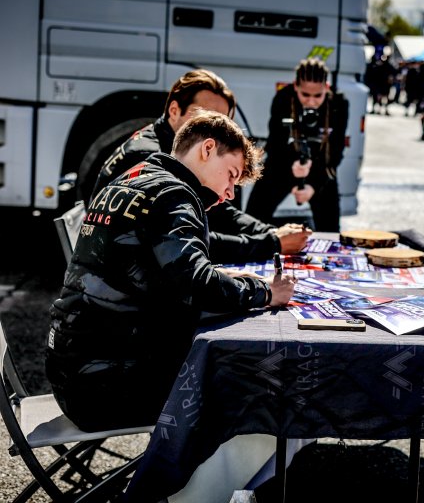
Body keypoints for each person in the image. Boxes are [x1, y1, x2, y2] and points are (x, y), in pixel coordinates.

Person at [46, 109, 297, 432]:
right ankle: (200, 484)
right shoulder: (174, 195)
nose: (229, 193)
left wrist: (221, 277)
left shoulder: (135, 176)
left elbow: (168, 272)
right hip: (105, 388)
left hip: (71, 372)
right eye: (231, 175)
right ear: (207, 149)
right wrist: (265, 292)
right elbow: (196, 285)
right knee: (252, 385)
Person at [92, 69, 311, 264]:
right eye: (205, 116)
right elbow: (193, 242)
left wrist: (271, 233)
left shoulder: (169, 146)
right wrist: (272, 243)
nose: (214, 129)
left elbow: (221, 212)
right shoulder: (150, 157)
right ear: (174, 110)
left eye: (221, 121)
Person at [245, 58, 348, 232]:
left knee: (329, 228)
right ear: (295, 86)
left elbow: (336, 151)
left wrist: (314, 185)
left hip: (321, 166)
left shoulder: (338, 104)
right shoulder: (283, 98)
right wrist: (291, 169)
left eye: (318, 95)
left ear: (327, 88)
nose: (311, 101)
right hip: (284, 162)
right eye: (305, 95)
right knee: (253, 216)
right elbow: (275, 143)